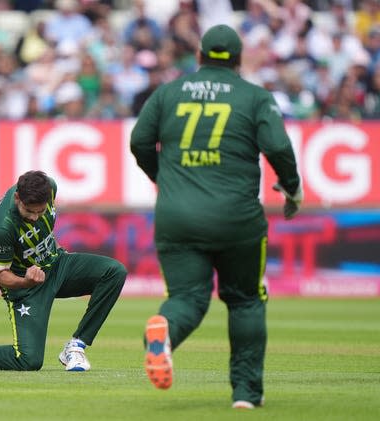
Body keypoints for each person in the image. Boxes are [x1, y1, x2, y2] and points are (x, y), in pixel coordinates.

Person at [130, 25, 302, 409]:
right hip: (236, 218)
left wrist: (164, 178)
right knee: (245, 301)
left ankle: (164, 334)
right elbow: (277, 146)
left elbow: (139, 141)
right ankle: (245, 394)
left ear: (200, 56)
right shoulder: (255, 97)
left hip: (177, 216)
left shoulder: (168, 92)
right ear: (239, 60)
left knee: (186, 298)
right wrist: (291, 186)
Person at [0, 170, 127, 372]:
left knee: (114, 272)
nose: (35, 217)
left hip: (56, 264)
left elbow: (44, 228)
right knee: (28, 360)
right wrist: (26, 282)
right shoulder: (2, 228)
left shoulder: (50, 188)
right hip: (26, 286)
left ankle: (76, 346)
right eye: (29, 211)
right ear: (18, 198)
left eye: (40, 211)